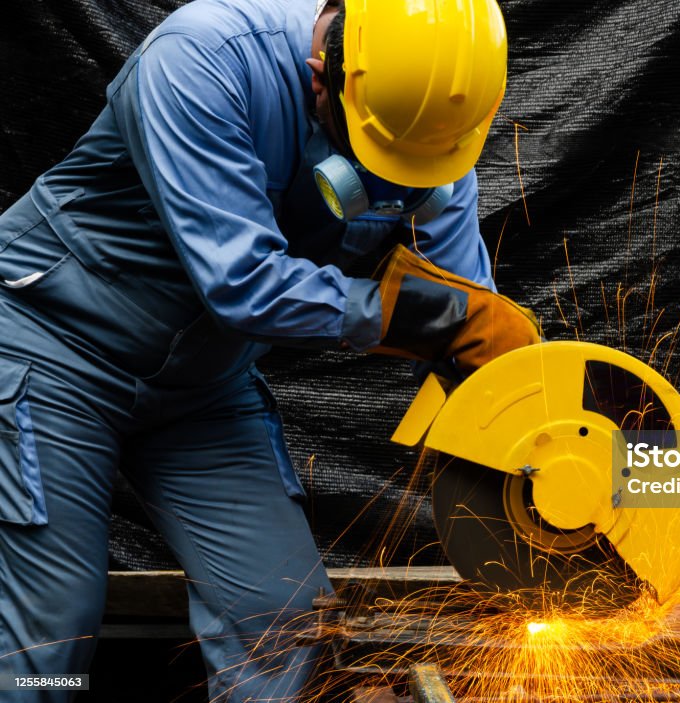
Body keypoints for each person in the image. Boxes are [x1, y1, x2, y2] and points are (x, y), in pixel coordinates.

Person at [0, 0, 540, 699]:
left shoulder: (426, 137)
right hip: (56, 350)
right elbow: (243, 282)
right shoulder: (204, 58)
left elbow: (470, 315)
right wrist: (415, 314)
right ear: (323, 75)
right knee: (51, 633)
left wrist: (531, 433)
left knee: (282, 621)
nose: (402, 178)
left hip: (201, 389)